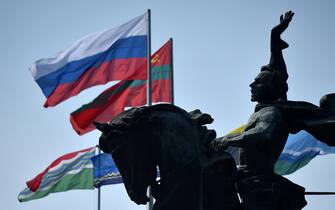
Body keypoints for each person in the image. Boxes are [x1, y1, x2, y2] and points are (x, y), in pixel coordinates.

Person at [210, 11, 308, 210]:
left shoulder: (271, 113)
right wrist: (275, 38)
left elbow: (262, 134)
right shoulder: (262, 109)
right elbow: (276, 67)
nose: (251, 85)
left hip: (258, 181)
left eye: (258, 83)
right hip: (245, 175)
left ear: (272, 87)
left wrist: (226, 140)